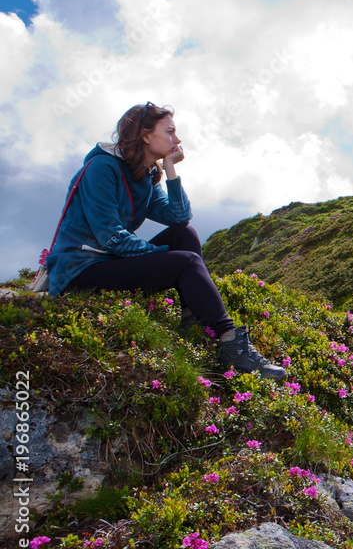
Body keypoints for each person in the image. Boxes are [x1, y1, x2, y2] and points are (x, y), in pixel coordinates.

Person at [44, 102, 286, 380]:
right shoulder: (102, 168)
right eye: (170, 131)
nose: (177, 139)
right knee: (185, 263)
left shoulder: (145, 175)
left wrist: (170, 169)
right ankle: (230, 342)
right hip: (80, 269)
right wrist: (160, 256)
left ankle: (191, 318)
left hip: (108, 261)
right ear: (146, 136)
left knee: (185, 235)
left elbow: (180, 216)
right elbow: (110, 236)